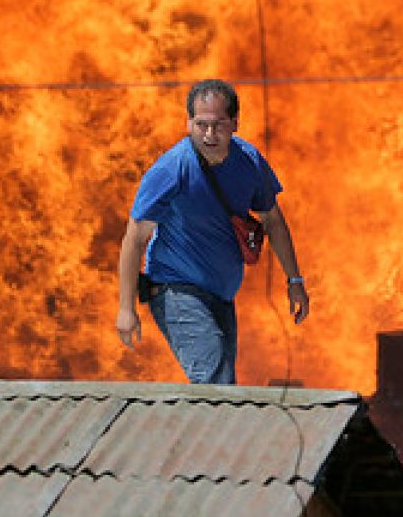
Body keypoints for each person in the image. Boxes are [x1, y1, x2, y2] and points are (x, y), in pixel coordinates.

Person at [116, 78, 310, 384]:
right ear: (189, 122)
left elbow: (273, 220)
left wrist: (295, 280)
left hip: (220, 296)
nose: (209, 134)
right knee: (215, 384)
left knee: (222, 391)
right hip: (176, 289)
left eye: (218, 125)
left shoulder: (248, 161)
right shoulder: (172, 169)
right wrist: (126, 309)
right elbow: (135, 238)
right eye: (201, 124)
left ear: (234, 123)